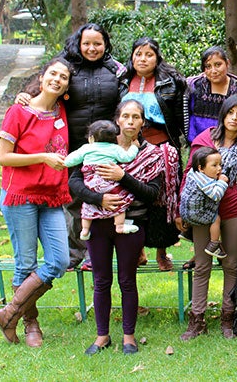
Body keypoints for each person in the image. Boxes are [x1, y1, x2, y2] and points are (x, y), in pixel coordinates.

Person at [17, 23, 127, 270]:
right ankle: (75, 251)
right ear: (78, 43)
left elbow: (125, 104)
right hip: (70, 143)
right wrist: (25, 95)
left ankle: (100, 252)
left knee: (105, 194)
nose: (91, 48)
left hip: (104, 147)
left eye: (97, 43)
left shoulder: (116, 70)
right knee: (72, 197)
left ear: (105, 45)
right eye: (86, 43)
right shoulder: (67, 66)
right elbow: (46, 86)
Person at [0, 57, 73, 348]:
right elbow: (3, 157)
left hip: (51, 196)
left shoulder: (63, 110)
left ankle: (9, 313)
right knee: (26, 263)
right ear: (42, 77)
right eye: (53, 73)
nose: (57, 79)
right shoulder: (18, 111)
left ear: (67, 86)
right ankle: (29, 324)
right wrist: (42, 157)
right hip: (20, 194)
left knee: (60, 260)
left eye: (64, 77)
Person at [69, 100, 165, 355]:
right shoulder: (97, 148)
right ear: (118, 120)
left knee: (127, 280)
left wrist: (123, 177)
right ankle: (102, 336)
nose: (131, 121)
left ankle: (128, 336)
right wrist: (99, 199)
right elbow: (75, 182)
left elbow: (152, 193)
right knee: (101, 280)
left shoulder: (151, 155)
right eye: (126, 116)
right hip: (98, 223)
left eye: (136, 116)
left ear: (143, 122)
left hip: (131, 223)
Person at [181, 94, 237, 340]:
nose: (234, 118)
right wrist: (181, 208)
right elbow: (189, 173)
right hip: (204, 211)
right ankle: (197, 319)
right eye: (230, 112)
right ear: (222, 113)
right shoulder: (205, 139)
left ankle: (228, 317)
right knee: (202, 265)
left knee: (231, 264)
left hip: (234, 209)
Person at [121, 37, 186, 271]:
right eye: (138, 54)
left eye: (149, 54)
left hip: (161, 148)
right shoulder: (123, 80)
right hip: (129, 149)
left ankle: (162, 250)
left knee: (163, 200)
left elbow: (179, 117)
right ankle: (137, 249)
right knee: (132, 199)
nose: (143, 59)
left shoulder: (170, 82)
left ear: (157, 57)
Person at [64, 120, 139, 240]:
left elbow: (69, 161)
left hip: (90, 183)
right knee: (120, 199)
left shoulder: (86, 148)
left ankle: (84, 230)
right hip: (108, 183)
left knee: (87, 203)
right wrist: (134, 147)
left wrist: (64, 159)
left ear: (91, 138)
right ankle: (119, 226)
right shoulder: (115, 148)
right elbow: (127, 157)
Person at [185, 46, 237, 143]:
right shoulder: (194, 85)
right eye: (208, 66)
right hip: (199, 143)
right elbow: (188, 115)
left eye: (218, 65)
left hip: (231, 144)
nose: (213, 71)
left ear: (227, 63)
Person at [180, 147, 229, 259]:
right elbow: (216, 195)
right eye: (214, 165)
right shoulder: (205, 181)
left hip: (185, 212)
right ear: (201, 168)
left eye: (220, 164)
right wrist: (222, 182)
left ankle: (187, 232)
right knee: (216, 219)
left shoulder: (193, 173)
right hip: (196, 215)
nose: (219, 169)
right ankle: (214, 244)